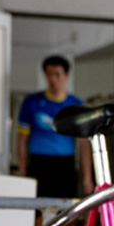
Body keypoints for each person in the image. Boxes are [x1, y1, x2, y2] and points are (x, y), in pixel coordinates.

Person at [14, 55, 88, 199]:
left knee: (66, 210)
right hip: (38, 162)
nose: (53, 79)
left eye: (57, 75)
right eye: (49, 74)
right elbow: (22, 139)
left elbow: (84, 144)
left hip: (65, 164)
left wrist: (87, 178)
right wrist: (23, 172)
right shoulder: (31, 102)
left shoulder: (76, 104)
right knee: (37, 211)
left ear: (66, 76)